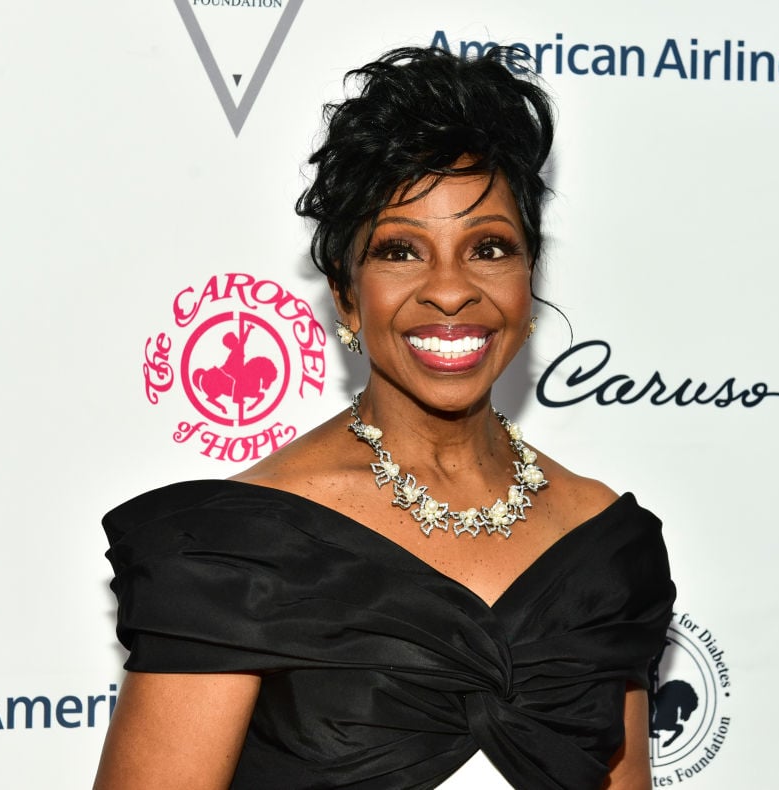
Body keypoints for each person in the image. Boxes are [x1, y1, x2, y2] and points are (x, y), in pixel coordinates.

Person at [95, 46, 675, 790]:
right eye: (401, 251)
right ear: (345, 294)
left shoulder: (605, 546)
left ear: (528, 276)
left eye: (489, 248)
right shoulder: (236, 553)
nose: (450, 290)